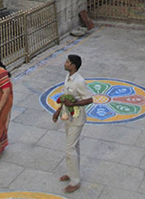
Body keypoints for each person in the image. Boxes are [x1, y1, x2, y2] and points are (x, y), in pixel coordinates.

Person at [51, 54, 94, 193]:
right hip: (68, 117)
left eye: (67, 62)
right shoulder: (68, 78)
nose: (65, 63)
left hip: (77, 119)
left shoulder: (79, 81)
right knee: (74, 147)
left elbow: (89, 99)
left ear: (73, 66)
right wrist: (58, 110)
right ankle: (72, 173)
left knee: (70, 149)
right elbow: (65, 97)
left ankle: (75, 181)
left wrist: (74, 103)